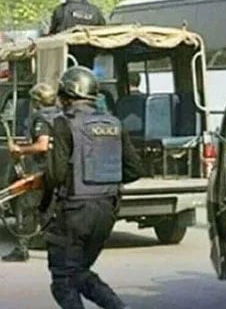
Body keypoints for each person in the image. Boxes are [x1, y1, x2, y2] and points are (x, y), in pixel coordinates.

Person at [44, 66, 143, 308]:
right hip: (107, 210)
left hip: (75, 212)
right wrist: (105, 181)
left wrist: (43, 205)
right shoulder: (114, 124)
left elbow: (55, 175)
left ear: (67, 95)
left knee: (63, 280)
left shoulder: (63, 123)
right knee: (78, 272)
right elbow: (135, 169)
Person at [2, 83, 61, 262]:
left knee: (27, 208)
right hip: (58, 169)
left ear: (37, 100)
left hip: (41, 170)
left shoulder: (41, 117)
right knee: (50, 210)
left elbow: (42, 145)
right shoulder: (61, 115)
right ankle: (56, 250)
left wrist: (20, 150)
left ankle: (22, 249)